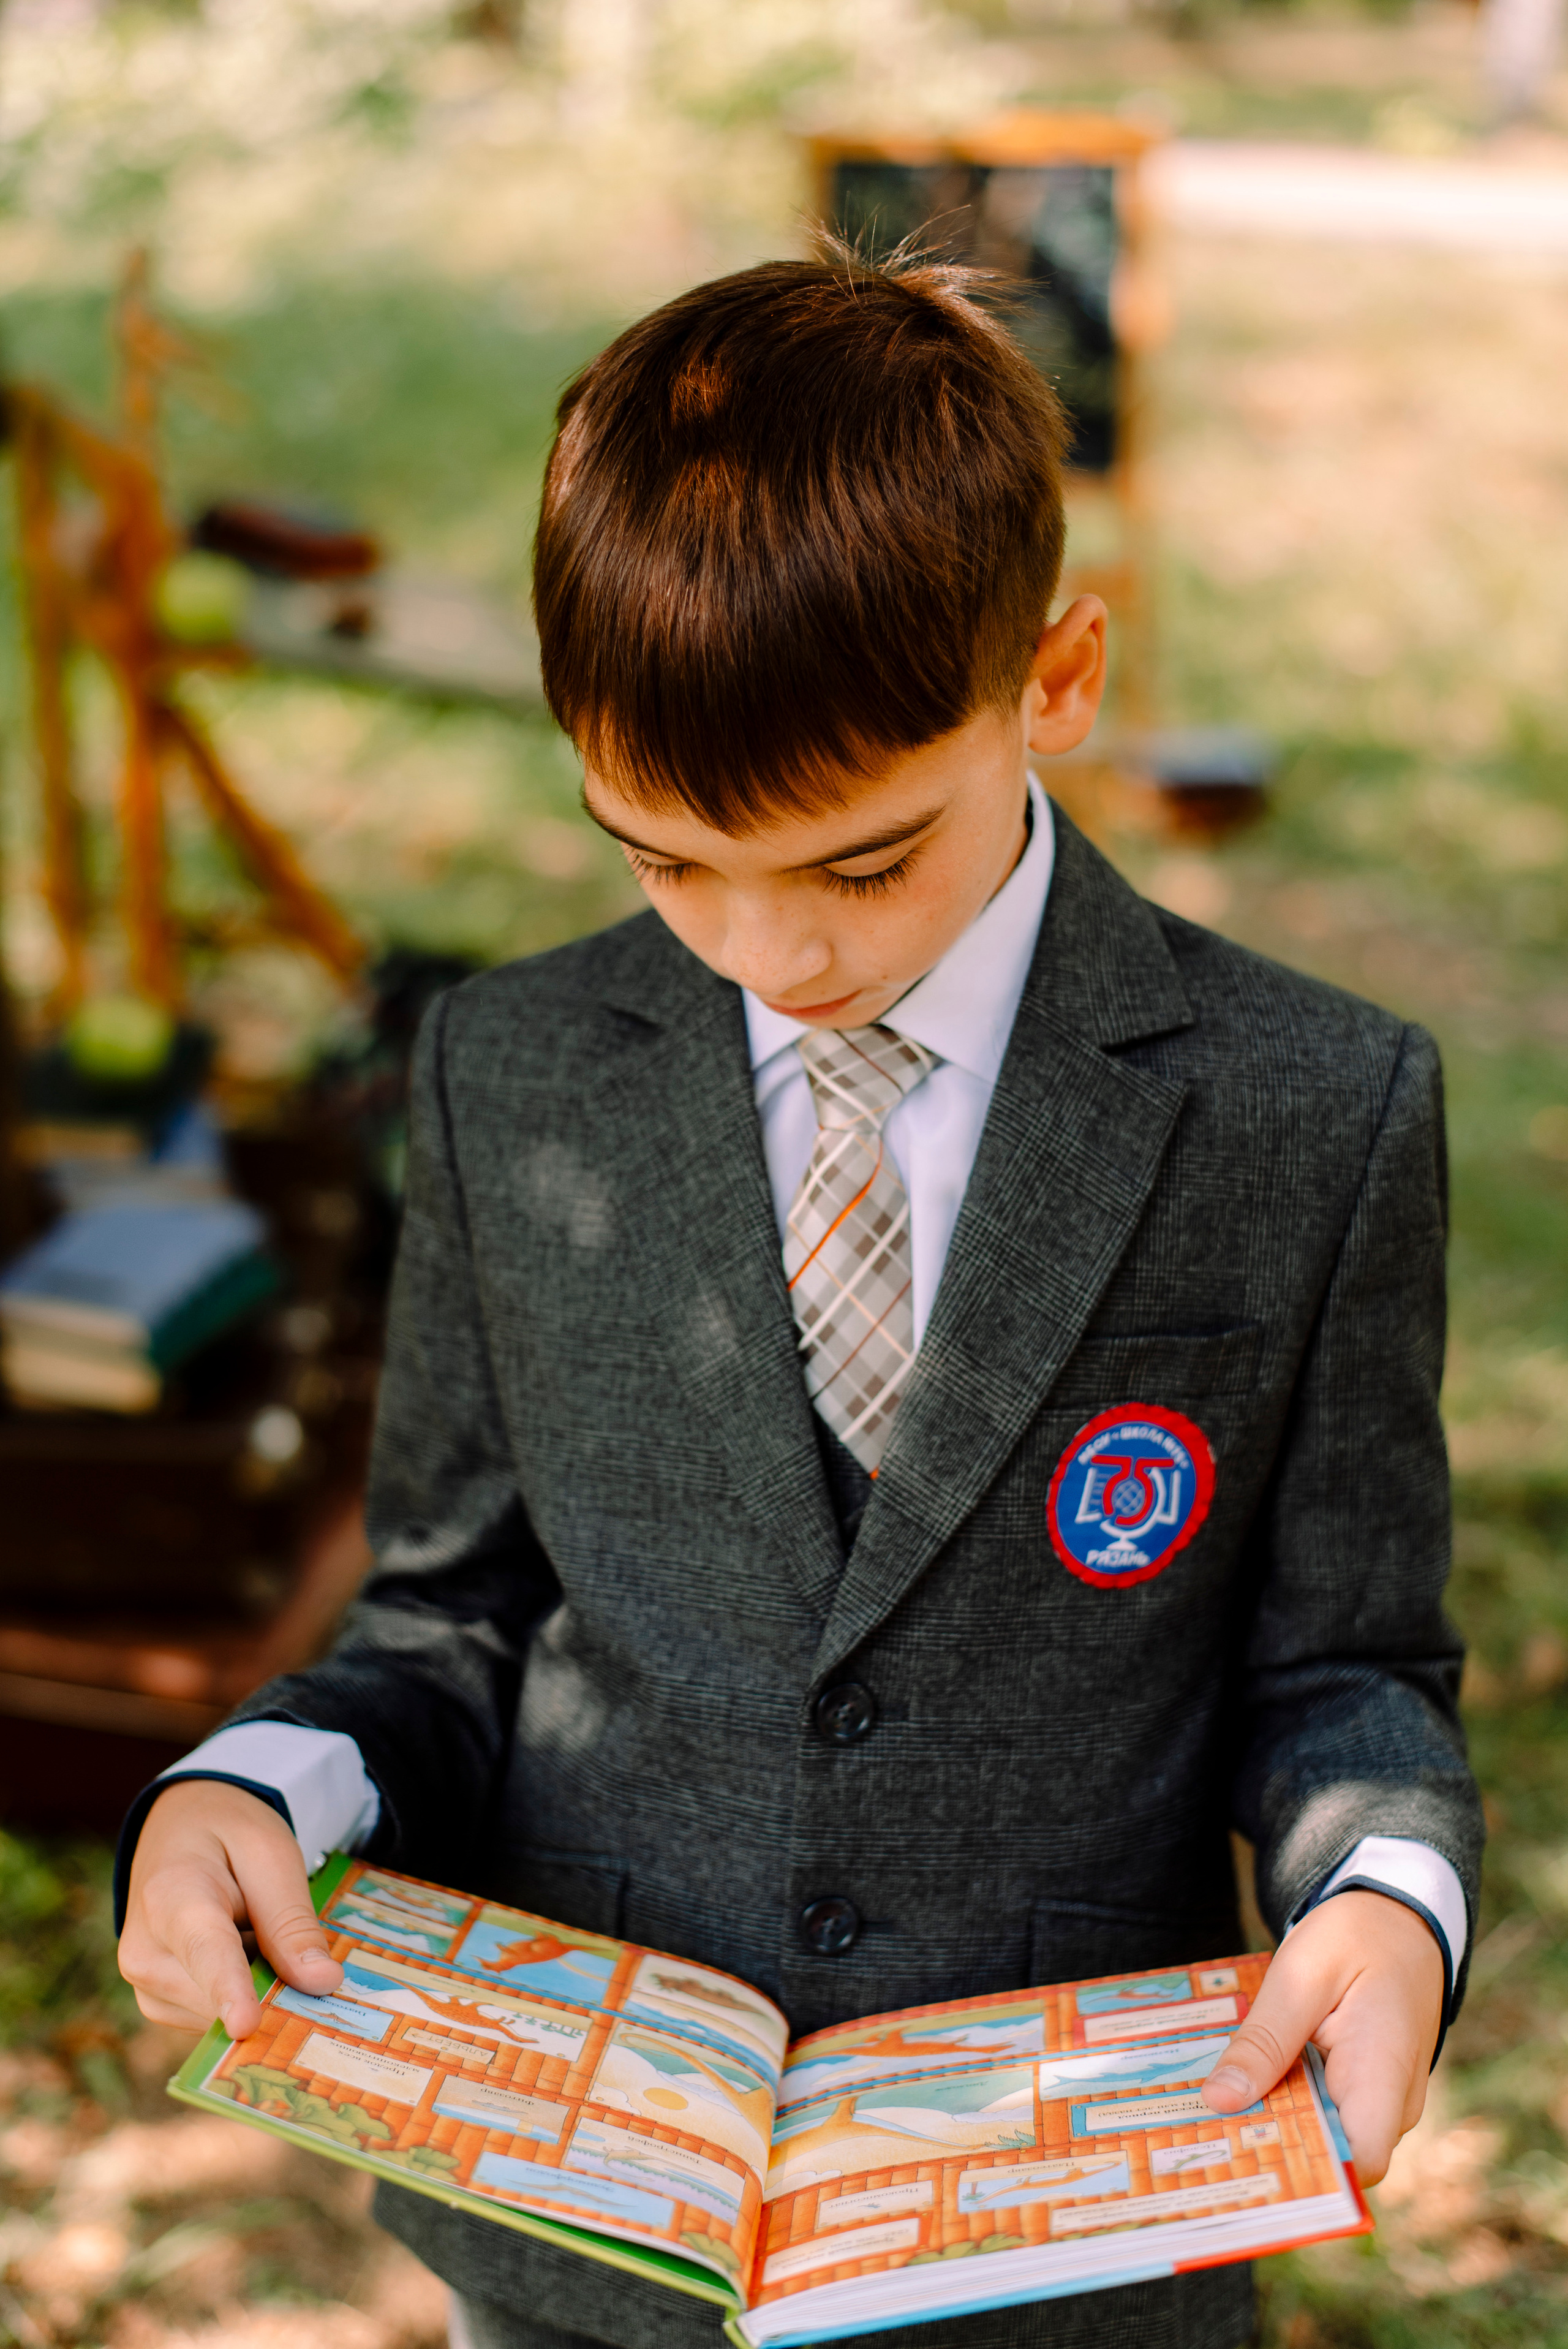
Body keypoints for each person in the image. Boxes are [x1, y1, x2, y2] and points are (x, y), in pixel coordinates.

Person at [117, 249, 1483, 2349]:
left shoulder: (1314, 1107)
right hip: (582, 2247)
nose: (770, 952)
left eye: (858, 865)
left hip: (1066, 2258)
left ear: (1059, 677)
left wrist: (1387, 1898)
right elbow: (449, 1605)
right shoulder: (516, 1069)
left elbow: (1348, 1662)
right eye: (662, 859)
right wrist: (253, 1783)